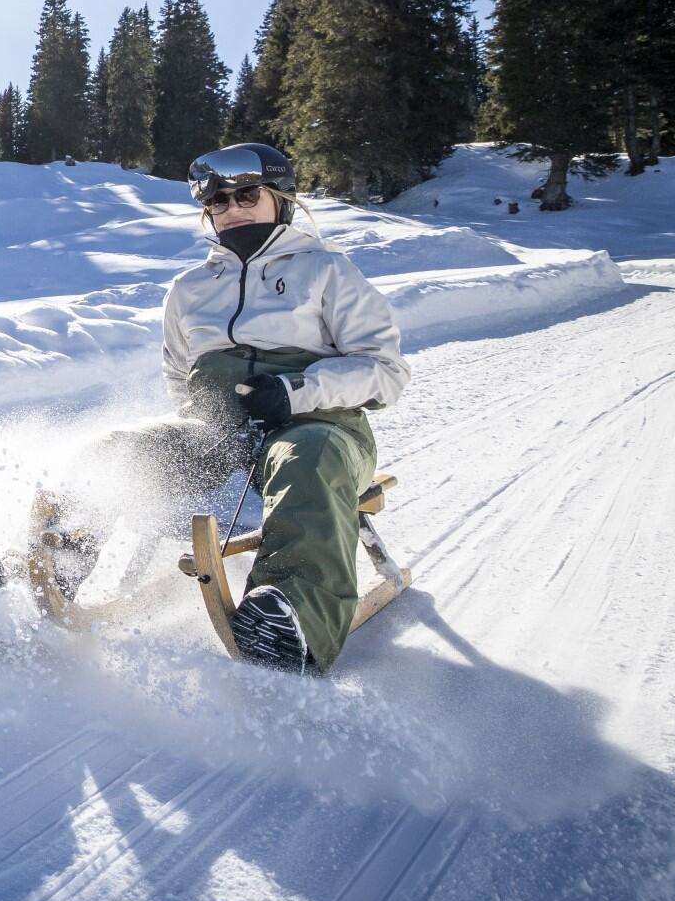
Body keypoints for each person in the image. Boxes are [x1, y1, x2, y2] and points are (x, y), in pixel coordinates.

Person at [39, 143, 406, 671]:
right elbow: (179, 376)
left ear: (280, 199)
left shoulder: (328, 272)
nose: (233, 209)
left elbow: (385, 371)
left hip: (321, 428)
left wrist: (293, 393)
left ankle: (294, 617)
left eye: (247, 195)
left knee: (306, 459)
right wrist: (201, 427)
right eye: (218, 203)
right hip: (219, 433)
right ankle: (60, 553)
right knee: (120, 448)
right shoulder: (189, 289)